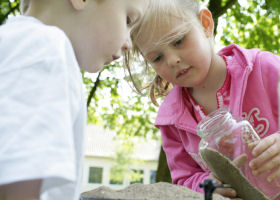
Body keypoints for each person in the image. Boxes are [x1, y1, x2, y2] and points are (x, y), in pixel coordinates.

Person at [125, 0, 280, 199]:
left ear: (206, 24)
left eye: (178, 40)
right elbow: (184, 179)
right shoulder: (171, 120)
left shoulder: (264, 69)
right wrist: (207, 187)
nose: (172, 60)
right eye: (157, 58)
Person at [0, 0, 149, 200]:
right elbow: (18, 186)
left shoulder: (19, 45)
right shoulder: (43, 49)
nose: (128, 44)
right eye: (128, 20)